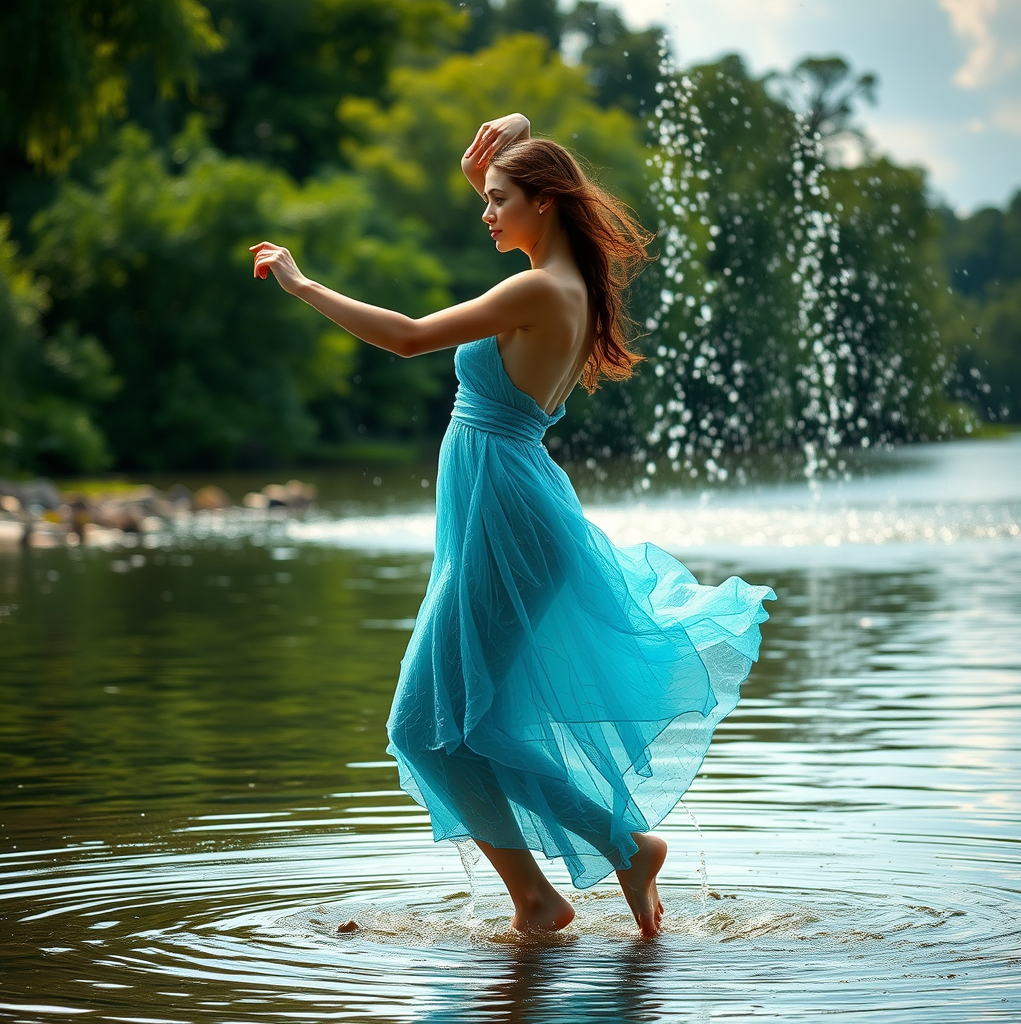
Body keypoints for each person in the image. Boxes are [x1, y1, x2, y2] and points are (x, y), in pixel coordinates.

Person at [251, 112, 774, 939]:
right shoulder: (557, 281)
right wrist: (506, 152)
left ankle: (566, 882)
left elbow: (411, 338)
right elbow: (522, 227)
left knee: (426, 727)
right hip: (504, 512)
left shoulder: (539, 291)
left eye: (498, 201)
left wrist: (301, 282)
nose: (485, 212)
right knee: (459, 724)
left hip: (507, 520)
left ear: (547, 204)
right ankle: (603, 861)